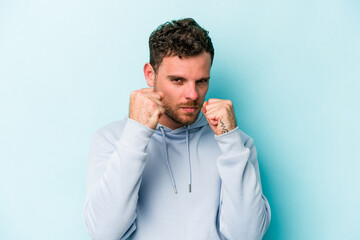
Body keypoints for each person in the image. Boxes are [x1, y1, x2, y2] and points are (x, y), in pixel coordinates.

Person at [83, 18, 271, 240]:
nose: (192, 94)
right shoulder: (112, 139)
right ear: (150, 75)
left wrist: (229, 141)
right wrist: (136, 133)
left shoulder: (236, 143)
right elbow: (104, 233)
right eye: (178, 80)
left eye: (201, 81)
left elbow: (248, 236)